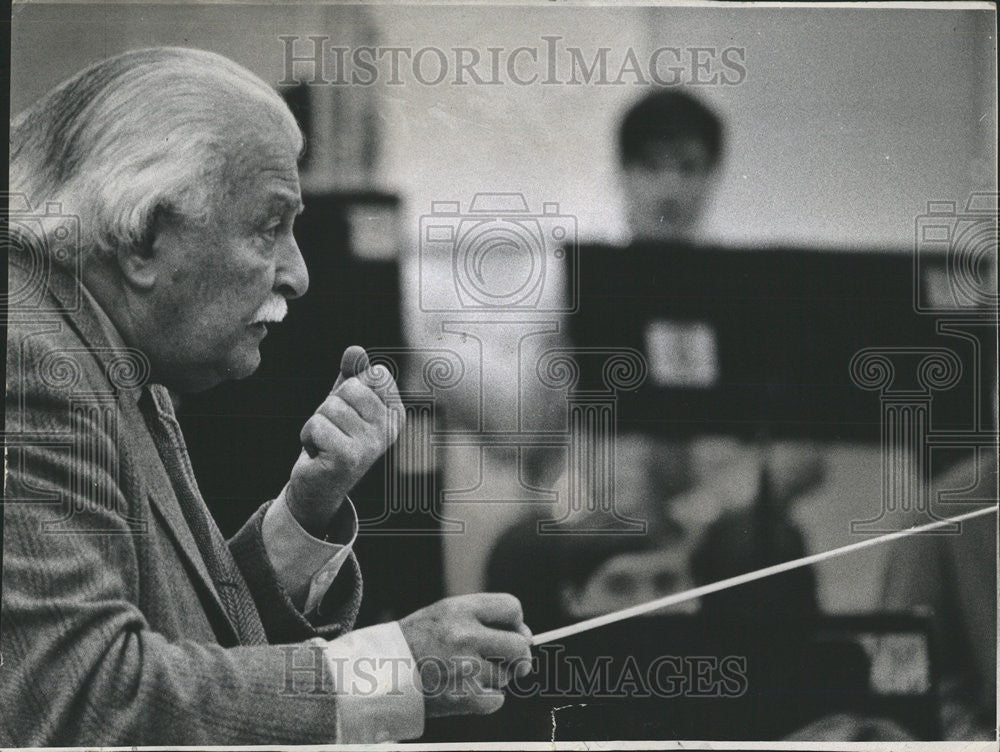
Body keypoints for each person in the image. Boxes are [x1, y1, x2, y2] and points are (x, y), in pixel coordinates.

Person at [2, 47, 532, 747]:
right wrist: (393, 670)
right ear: (143, 239)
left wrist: (303, 515)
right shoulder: (30, 361)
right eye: (268, 227)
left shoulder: (110, 359)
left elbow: (180, 643)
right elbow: (90, 699)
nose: (299, 274)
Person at [616, 88, 724, 243]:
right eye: (652, 166)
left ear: (711, 173)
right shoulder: (584, 266)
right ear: (623, 171)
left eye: (687, 168)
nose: (669, 190)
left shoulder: (749, 268)